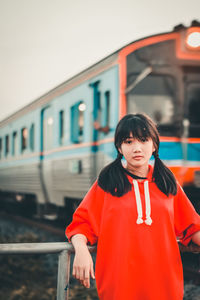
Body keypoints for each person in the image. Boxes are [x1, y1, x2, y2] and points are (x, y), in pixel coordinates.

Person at [65, 113, 200, 300]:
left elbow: (191, 227)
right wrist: (80, 250)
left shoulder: (167, 183)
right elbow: (82, 225)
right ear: (119, 147)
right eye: (128, 142)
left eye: (143, 140)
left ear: (154, 145)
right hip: (119, 283)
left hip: (164, 282)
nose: (137, 148)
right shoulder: (106, 183)